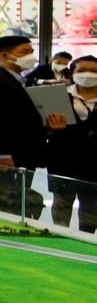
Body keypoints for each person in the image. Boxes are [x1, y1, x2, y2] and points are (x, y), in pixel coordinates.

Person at [0, 34, 66, 214]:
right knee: (4, 202)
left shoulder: (20, 81)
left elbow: (20, 119)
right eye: (24, 52)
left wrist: (47, 127)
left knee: (18, 199)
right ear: (4, 56)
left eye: (31, 51)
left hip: (24, 153)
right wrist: (2, 154)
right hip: (7, 157)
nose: (30, 56)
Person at [47, 55, 97, 232]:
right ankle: (60, 238)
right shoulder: (57, 96)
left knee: (91, 206)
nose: (88, 74)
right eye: (82, 70)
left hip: (94, 162)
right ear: (71, 73)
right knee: (62, 203)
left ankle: (86, 240)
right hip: (63, 159)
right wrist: (50, 128)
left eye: (94, 71)